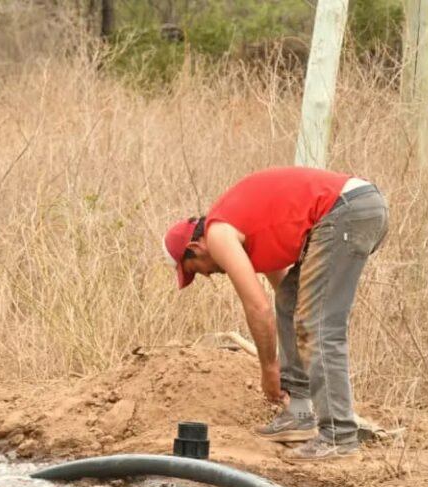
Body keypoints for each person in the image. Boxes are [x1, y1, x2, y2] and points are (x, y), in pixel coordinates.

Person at [161, 167, 389, 461]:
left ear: (195, 247)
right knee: (292, 304)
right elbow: (286, 303)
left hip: (345, 211)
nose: (206, 276)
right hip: (356, 207)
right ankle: (300, 413)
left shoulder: (218, 234)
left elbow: (258, 308)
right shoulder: (247, 229)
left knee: (318, 326)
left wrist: (269, 368)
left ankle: (338, 435)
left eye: (195, 270)